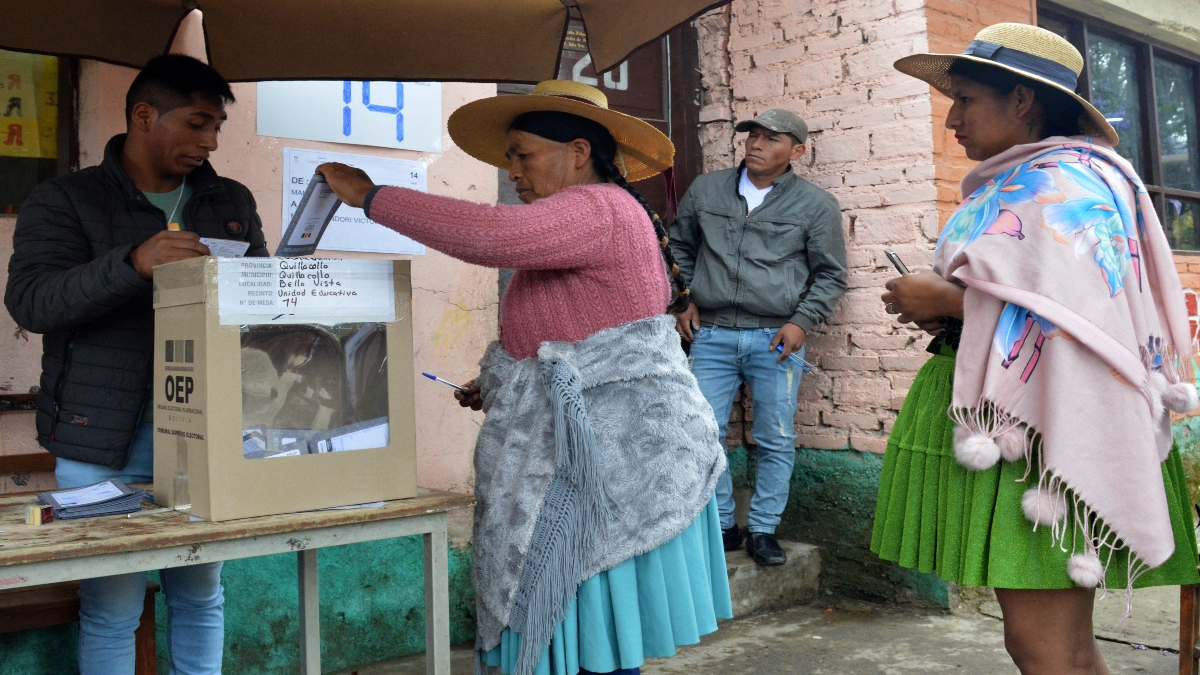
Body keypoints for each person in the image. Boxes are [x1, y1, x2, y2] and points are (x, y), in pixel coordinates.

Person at [317, 80, 731, 675]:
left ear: (579, 152)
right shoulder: (591, 214)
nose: (513, 170)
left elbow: (494, 236)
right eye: (510, 156)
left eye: (523, 154)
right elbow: (569, 325)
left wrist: (373, 196)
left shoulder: (598, 207)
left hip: (603, 459)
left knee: (587, 614)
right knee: (590, 621)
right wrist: (506, 381)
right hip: (594, 449)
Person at [873, 23, 1200, 675]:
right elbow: (1030, 294)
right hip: (1018, 421)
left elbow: (1082, 317)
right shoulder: (1016, 182)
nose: (953, 120)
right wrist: (952, 308)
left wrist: (944, 300)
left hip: (1042, 430)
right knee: (1059, 645)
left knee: (1042, 645)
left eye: (965, 99)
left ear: (1021, 99)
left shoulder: (1067, 185)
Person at [5, 54, 266, 675]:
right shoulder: (67, 198)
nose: (210, 142)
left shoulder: (228, 199)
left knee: (201, 594)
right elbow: (33, 301)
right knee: (113, 606)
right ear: (144, 116)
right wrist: (131, 264)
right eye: (198, 124)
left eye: (218, 128)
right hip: (100, 438)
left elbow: (258, 300)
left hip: (204, 432)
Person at [669, 108, 847, 566]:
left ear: (798, 151)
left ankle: (765, 529)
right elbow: (679, 249)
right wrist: (682, 298)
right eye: (753, 136)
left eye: (772, 139)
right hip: (710, 335)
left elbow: (830, 275)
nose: (756, 145)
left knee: (776, 436)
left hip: (776, 338)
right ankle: (723, 524)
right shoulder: (706, 190)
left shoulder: (814, 204)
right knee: (702, 432)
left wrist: (801, 322)